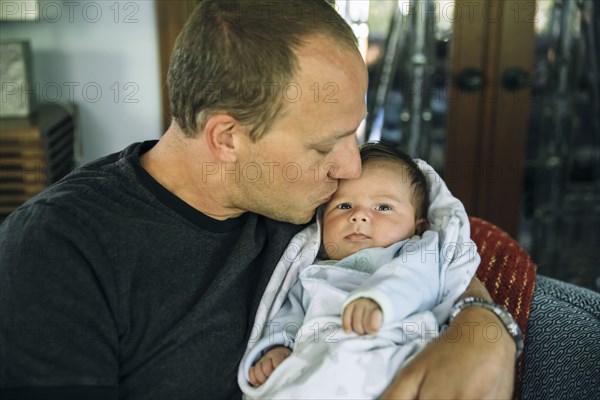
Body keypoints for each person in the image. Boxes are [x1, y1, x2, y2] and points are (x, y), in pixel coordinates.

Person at [0, 1, 517, 399]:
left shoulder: (316, 199)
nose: (350, 168)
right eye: (323, 146)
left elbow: (435, 236)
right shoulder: (57, 250)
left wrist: (482, 329)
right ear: (227, 137)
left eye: (352, 135)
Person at [238, 142, 479, 398]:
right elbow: (288, 315)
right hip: (317, 361)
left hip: (385, 349)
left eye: (383, 207)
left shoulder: (414, 252)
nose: (359, 216)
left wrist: (380, 299)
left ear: (418, 227)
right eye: (344, 206)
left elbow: (417, 281)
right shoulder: (310, 271)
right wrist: (277, 348)